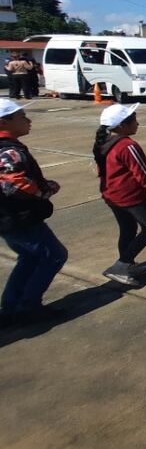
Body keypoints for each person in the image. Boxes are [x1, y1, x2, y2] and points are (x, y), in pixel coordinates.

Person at [0, 100, 66, 326]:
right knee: (53, 255)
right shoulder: (9, 151)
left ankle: (11, 305)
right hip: (19, 218)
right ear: (4, 122)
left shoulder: (9, 147)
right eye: (22, 117)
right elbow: (15, 184)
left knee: (28, 258)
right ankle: (28, 306)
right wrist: (45, 190)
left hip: (10, 219)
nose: (28, 120)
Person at [93, 103, 146, 286]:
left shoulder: (105, 141)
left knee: (128, 229)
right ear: (122, 125)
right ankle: (121, 265)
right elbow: (142, 172)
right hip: (129, 196)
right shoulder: (127, 145)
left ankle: (126, 264)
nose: (137, 124)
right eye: (134, 121)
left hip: (112, 195)